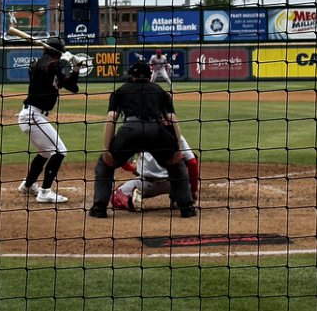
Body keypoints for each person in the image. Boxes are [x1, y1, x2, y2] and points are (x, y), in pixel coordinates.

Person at [89, 59, 194, 219]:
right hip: (156, 132)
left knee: (105, 165)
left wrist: (106, 150)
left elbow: (111, 118)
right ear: (149, 75)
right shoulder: (160, 91)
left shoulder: (120, 91)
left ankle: (99, 208)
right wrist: (177, 148)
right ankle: (186, 207)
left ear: (131, 76)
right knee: (176, 166)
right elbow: (173, 119)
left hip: (130, 131)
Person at [17, 37, 83, 204]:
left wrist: (75, 68)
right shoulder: (42, 63)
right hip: (33, 115)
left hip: (36, 116)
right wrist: (64, 61)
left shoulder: (53, 67)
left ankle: (28, 184)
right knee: (60, 151)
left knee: (46, 152)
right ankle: (45, 192)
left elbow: (73, 87)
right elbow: (48, 66)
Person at [109, 135, 201, 212]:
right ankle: (180, 198)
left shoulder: (139, 134)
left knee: (116, 196)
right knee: (189, 157)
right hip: (174, 183)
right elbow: (192, 162)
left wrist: (134, 169)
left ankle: (130, 202)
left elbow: (123, 162)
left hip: (146, 184)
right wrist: (193, 190)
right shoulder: (176, 134)